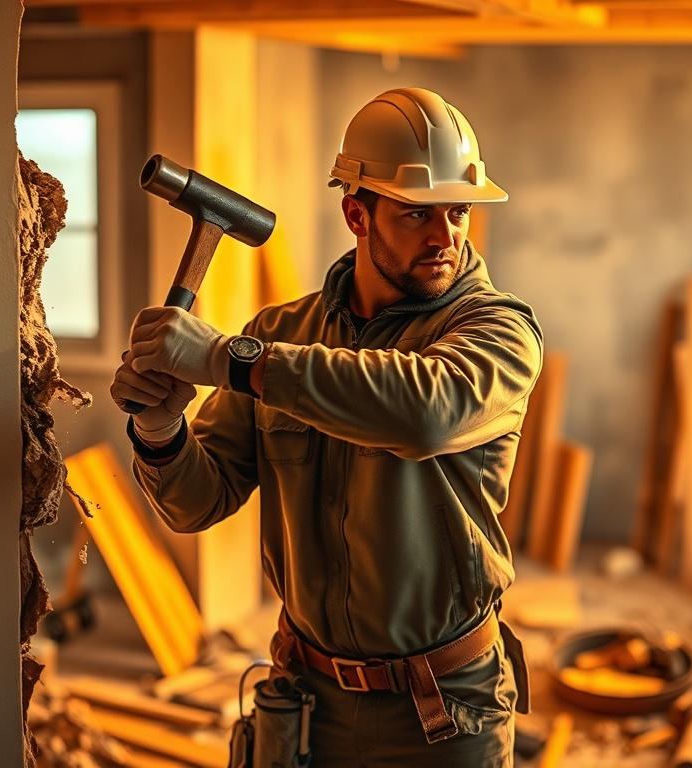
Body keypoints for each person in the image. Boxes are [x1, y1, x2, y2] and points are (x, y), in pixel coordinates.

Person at [110, 87, 543, 767]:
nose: (446, 236)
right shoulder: (282, 334)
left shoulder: (497, 332)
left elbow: (425, 413)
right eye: (416, 215)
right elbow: (198, 502)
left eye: (458, 211)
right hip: (306, 697)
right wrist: (163, 431)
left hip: (444, 709)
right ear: (356, 214)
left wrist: (227, 359)